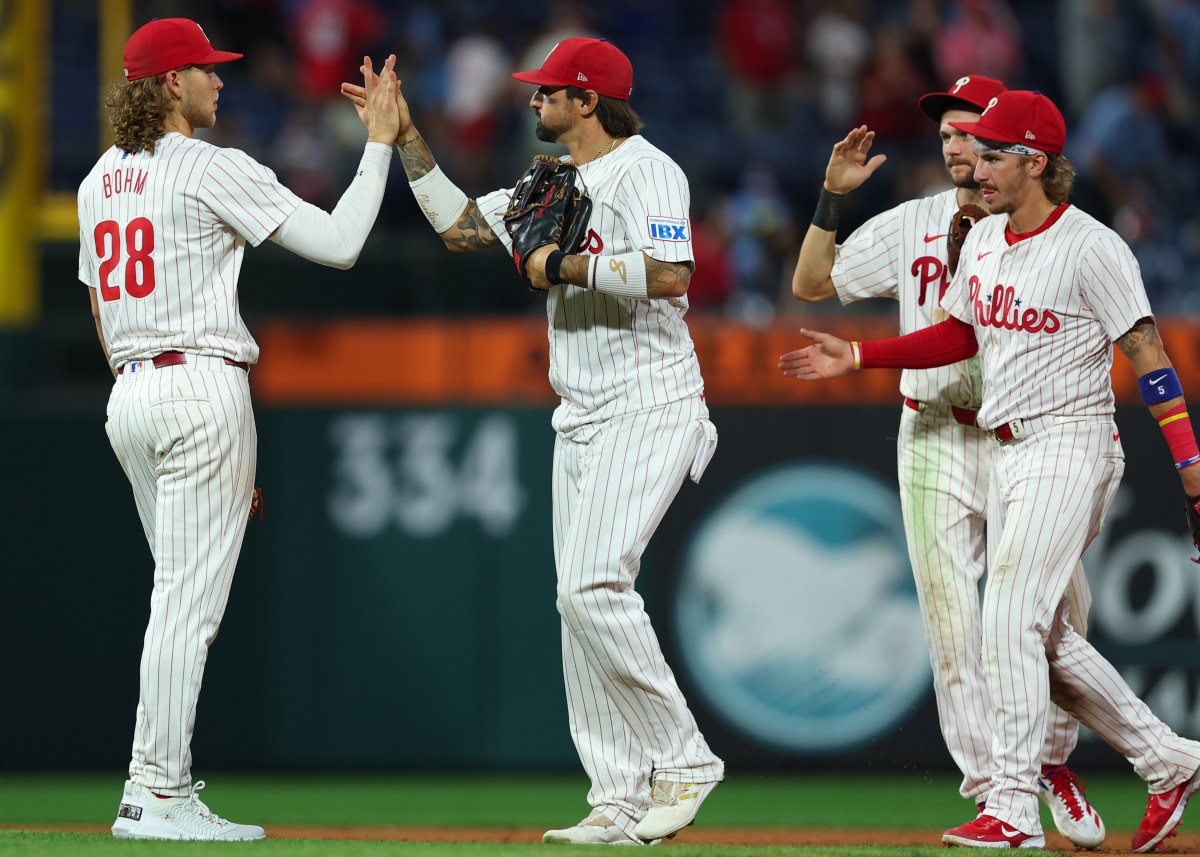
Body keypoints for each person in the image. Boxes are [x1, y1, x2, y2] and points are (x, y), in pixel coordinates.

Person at [780, 89, 1200, 851]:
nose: (974, 165)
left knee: (1008, 614)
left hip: (1070, 441)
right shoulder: (982, 241)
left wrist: (1193, 469)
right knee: (1037, 635)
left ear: (1035, 162)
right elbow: (954, 336)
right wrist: (863, 354)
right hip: (1006, 449)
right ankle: (1168, 758)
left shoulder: (1093, 246)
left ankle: (1010, 805)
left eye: (994, 152)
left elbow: (1151, 359)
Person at [342, 36, 723, 846]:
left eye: (548, 91)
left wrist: (564, 263)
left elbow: (673, 273)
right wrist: (405, 133)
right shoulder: (550, 178)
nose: (532, 100)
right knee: (572, 604)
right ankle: (617, 797)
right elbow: (458, 228)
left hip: (649, 400)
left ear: (589, 101)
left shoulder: (648, 168)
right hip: (580, 408)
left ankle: (684, 757)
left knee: (592, 587)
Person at [78, 17, 399, 840]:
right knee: (186, 604)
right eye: (204, 71)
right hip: (198, 388)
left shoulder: (95, 180)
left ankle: (163, 786)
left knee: (174, 597)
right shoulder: (209, 166)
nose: (220, 82)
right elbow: (339, 244)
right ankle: (154, 789)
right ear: (165, 85)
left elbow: (97, 302)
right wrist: (379, 147)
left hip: (131, 393)